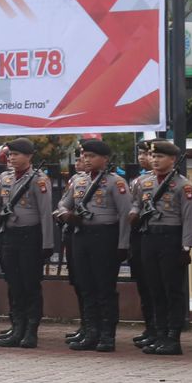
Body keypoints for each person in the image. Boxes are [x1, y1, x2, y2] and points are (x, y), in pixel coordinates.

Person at [55, 139, 131, 352]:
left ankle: (107, 335)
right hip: (81, 236)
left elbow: (125, 214)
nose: (86, 160)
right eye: (84, 156)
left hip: (105, 236)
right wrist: (66, 215)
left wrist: (123, 244)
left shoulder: (116, 182)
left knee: (104, 288)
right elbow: (63, 204)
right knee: (85, 286)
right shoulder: (78, 181)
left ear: (105, 159)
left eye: (91, 156)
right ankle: (90, 332)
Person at [0, 138, 56, 349]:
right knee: (14, 284)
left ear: (29, 156)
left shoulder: (39, 180)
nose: (12, 158)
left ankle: (30, 331)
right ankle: (17, 327)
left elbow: (45, 214)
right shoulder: (4, 178)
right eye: (10, 155)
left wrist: (47, 243)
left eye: (16, 154)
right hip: (9, 235)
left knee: (30, 284)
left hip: (30, 236)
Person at [129, 139, 192, 356]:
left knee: (171, 290)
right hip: (149, 237)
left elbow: (188, 218)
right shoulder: (144, 182)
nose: (155, 160)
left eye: (160, 157)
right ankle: (159, 334)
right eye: (153, 156)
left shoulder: (182, 185)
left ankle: (172, 338)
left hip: (171, 238)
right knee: (154, 288)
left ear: (173, 160)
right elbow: (137, 202)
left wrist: (186, 247)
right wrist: (134, 212)